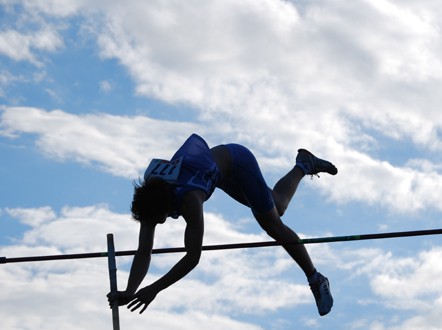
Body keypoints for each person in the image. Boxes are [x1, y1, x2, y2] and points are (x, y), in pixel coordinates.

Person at [108, 134, 337, 316]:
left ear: (167, 206)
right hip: (218, 173)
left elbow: (192, 257)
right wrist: (130, 291)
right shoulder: (151, 200)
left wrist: (154, 289)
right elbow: (143, 251)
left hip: (237, 161)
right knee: (277, 204)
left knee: (274, 224)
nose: (160, 223)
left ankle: (316, 278)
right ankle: (304, 165)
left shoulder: (191, 200)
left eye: (161, 218)